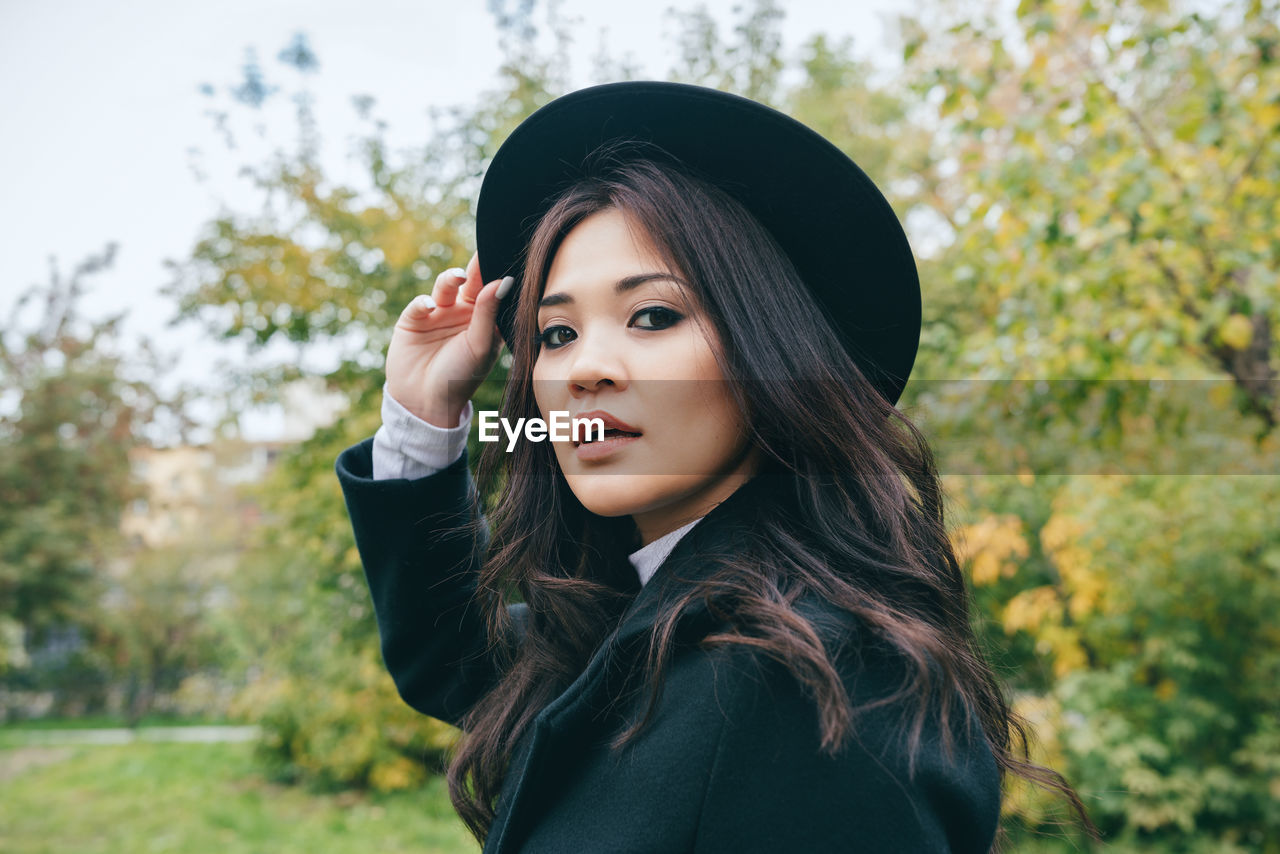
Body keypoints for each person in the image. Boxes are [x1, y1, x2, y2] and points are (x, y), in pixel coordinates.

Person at [334, 82, 1090, 853]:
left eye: (653, 316)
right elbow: (458, 661)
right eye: (554, 334)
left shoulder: (813, 684)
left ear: (774, 356)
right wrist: (422, 415)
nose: (585, 367)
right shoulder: (634, 614)